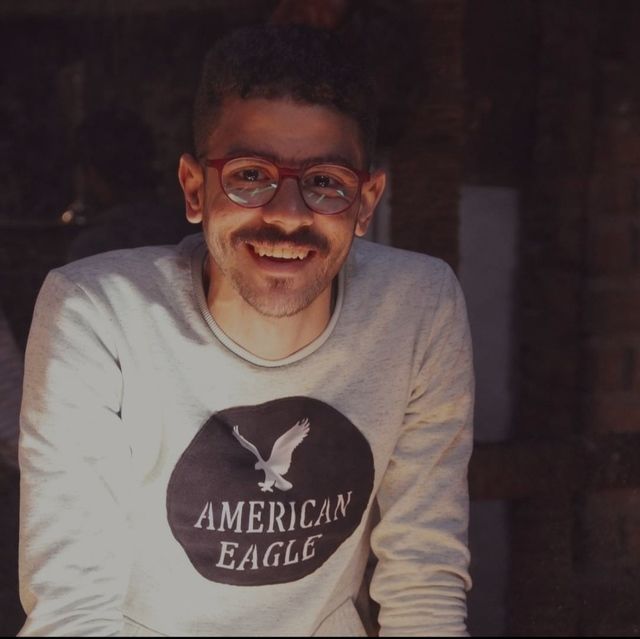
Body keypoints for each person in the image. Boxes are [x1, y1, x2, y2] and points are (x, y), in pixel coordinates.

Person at [18, 23, 474, 636]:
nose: (286, 216)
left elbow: (423, 579)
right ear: (194, 189)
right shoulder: (97, 313)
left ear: (366, 202)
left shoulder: (417, 305)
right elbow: (73, 606)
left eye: (325, 182)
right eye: (250, 175)